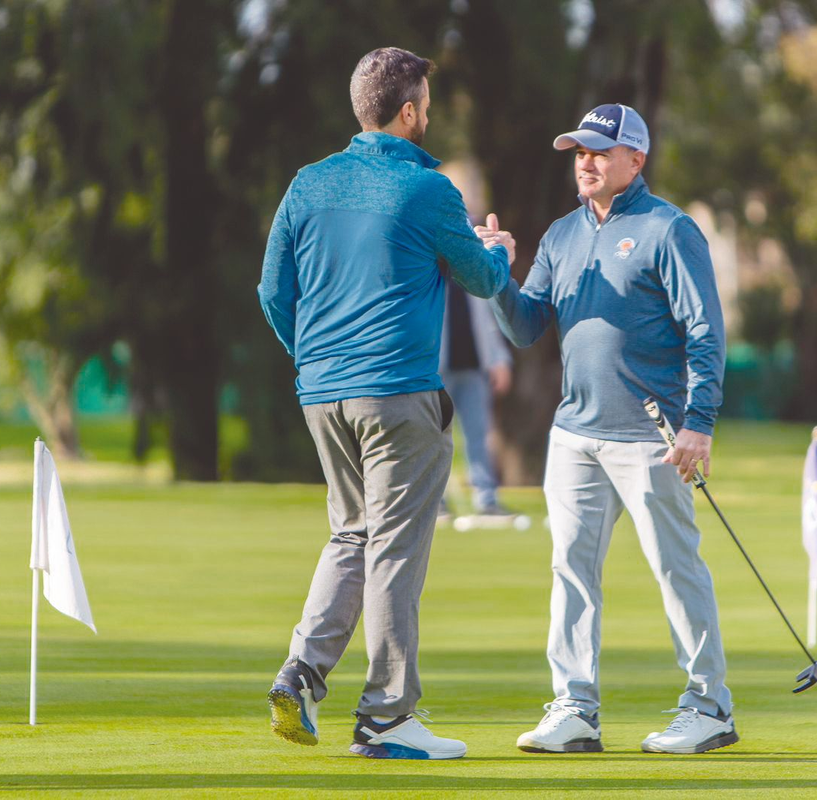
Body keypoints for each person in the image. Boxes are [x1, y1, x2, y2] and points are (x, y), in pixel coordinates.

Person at [256, 46, 513, 760]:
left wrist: (314, 358)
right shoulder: (429, 190)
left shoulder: (307, 184)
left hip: (322, 394)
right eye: (425, 104)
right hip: (397, 393)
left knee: (352, 535)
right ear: (408, 112)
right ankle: (387, 718)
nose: (428, 114)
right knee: (394, 550)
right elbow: (481, 279)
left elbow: (273, 293)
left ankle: (301, 673)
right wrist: (500, 252)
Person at [480, 104, 736, 755]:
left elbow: (705, 330)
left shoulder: (668, 230)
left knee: (676, 569)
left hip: (652, 436)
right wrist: (496, 278)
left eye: (598, 150)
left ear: (635, 160)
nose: (585, 161)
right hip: (574, 436)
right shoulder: (563, 234)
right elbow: (526, 325)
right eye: (578, 151)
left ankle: (709, 705)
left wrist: (698, 422)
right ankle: (576, 708)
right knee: (570, 570)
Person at [438, 280, 515, 519]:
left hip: (475, 370)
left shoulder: (474, 281)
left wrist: (500, 360)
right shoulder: (429, 277)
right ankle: (436, 502)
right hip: (437, 371)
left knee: (480, 436)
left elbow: (490, 324)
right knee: (435, 437)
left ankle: (487, 501)